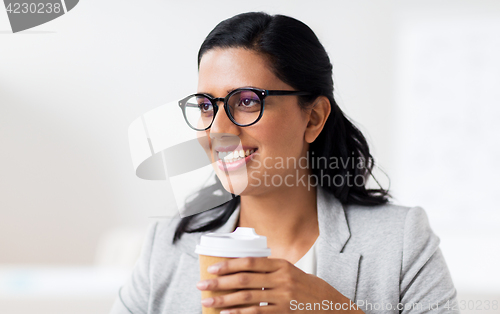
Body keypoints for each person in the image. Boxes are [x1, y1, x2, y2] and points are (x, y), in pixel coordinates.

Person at [110, 12, 459, 314]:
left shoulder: (401, 243)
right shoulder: (169, 245)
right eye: (206, 106)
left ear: (313, 118)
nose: (218, 130)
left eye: (246, 101)